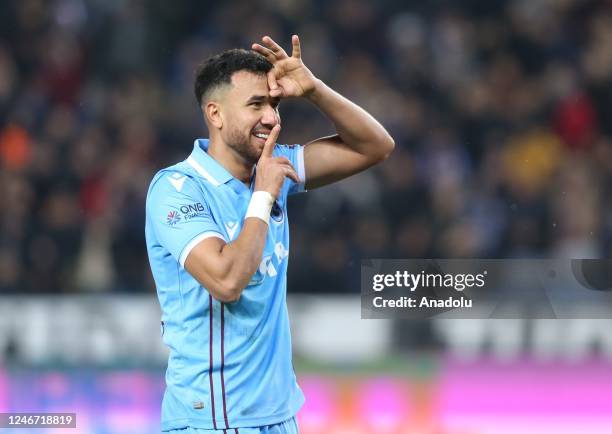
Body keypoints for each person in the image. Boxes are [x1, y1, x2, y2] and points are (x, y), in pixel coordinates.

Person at [145, 35, 394, 433]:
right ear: (216, 113)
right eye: (256, 104)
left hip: (279, 416)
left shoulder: (274, 169)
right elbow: (227, 282)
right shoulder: (177, 189)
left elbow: (375, 146)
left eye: (274, 104)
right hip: (215, 418)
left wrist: (314, 90)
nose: (272, 118)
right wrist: (262, 196)